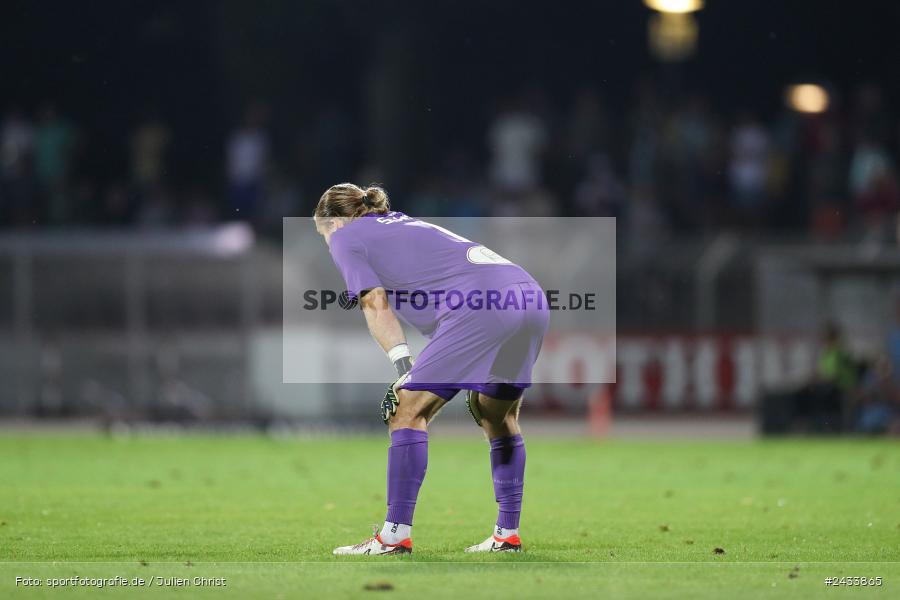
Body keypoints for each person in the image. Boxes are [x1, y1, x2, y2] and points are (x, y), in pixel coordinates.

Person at [314, 183, 549, 555]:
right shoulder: (399, 224)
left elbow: (375, 305)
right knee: (494, 411)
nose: (327, 245)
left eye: (322, 234)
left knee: (406, 409)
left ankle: (393, 537)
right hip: (529, 295)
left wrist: (404, 366)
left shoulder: (347, 238)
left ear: (335, 223)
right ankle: (507, 535)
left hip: (480, 303)